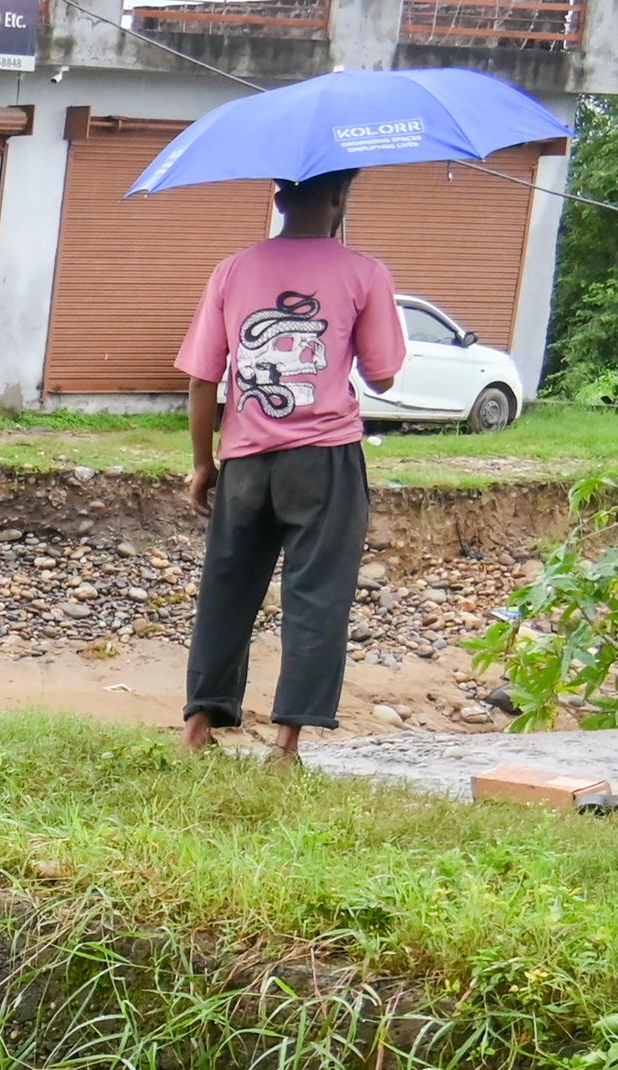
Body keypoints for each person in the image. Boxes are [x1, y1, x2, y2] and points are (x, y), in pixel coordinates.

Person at [177, 169, 406, 762]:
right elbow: (383, 373)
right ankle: (286, 745)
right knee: (317, 595)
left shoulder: (232, 270)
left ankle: (198, 728)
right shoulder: (365, 273)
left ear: (279, 198)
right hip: (325, 460)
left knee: (227, 589)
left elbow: (204, 380)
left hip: (246, 463)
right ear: (338, 197)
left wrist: (204, 463)